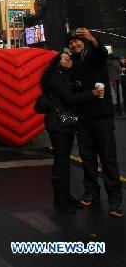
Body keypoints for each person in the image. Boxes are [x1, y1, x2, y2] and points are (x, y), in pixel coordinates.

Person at [68, 28, 124, 217]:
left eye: (76, 41)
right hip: (83, 118)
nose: (74, 45)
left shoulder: (95, 55)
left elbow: (102, 52)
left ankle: (115, 199)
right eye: (71, 43)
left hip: (102, 116)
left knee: (108, 159)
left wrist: (92, 38)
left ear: (83, 41)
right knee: (88, 158)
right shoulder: (72, 62)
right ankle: (92, 191)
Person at [39, 51, 102, 212]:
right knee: (61, 161)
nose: (68, 60)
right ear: (57, 62)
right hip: (58, 124)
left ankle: (65, 196)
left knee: (64, 160)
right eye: (64, 58)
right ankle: (60, 200)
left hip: (65, 124)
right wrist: (92, 94)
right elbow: (69, 98)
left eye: (69, 58)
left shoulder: (65, 76)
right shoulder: (56, 77)